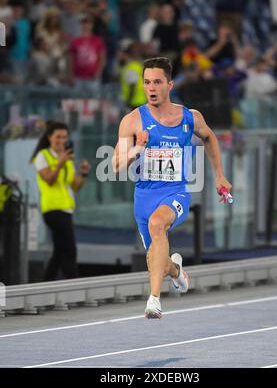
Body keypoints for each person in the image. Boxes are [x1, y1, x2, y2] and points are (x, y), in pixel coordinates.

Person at [112, 57, 232, 319]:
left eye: (157, 82)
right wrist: (137, 148)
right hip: (144, 197)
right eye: (146, 82)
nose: (151, 88)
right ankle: (176, 270)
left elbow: (210, 137)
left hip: (175, 193)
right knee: (158, 261)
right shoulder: (132, 121)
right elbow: (116, 165)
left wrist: (219, 176)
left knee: (158, 225)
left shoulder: (190, 117)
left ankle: (154, 300)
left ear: (169, 85)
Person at [30, 121, 91, 281]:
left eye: (64, 137)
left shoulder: (67, 158)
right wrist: (60, 163)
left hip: (66, 208)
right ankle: (74, 284)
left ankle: (45, 286)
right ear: (49, 137)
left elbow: (75, 185)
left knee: (59, 251)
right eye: (58, 137)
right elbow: (49, 179)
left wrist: (84, 174)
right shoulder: (42, 156)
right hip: (53, 209)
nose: (61, 140)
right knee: (69, 249)